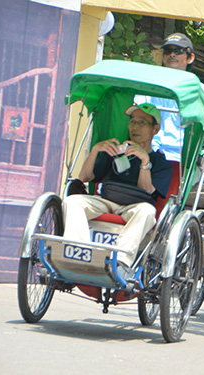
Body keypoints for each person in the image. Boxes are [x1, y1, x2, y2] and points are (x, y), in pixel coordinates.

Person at [62, 103, 173, 270]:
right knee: (73, 202)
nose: (135, 126)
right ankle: (78, 252)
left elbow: (147, 191)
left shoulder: (161, 163)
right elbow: (84, 177)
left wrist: (145, 162)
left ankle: (120, 261)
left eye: (142, 122)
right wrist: (95, 150)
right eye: (133, 121)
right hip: (107, 200)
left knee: (148, 212)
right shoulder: (116, 151)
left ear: (155, 129)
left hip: (136, 206)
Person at [135, 32, 204, 162]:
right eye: (168, 51)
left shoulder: (202, 91)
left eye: (178, 51)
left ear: (190, 58)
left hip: (180, 158)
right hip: (147, 151)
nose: (172, 55)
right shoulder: (149, 86)